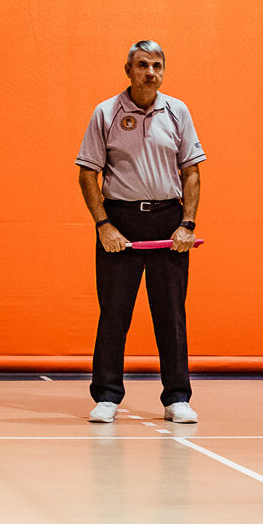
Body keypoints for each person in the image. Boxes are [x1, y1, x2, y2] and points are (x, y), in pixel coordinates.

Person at [76, 40, 204, 424]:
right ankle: (107, 396)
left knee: (171, 313)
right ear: (128, 70)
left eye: (158, 65)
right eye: (143, 64)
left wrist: (187, 224)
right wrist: (104, 225)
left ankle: (177, 397)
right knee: (114, 312)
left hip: (169, 220)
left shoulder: (177, 111)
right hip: (121, 221)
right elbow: (87, 172)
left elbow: (192, 171)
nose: (151, 72)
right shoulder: (106, 112)